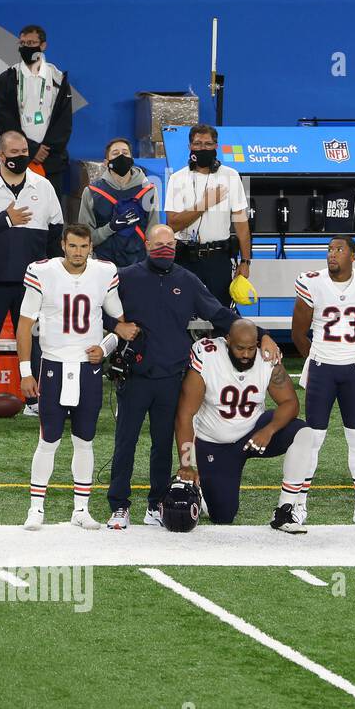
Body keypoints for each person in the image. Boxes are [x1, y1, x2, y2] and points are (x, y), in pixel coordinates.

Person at [104, 225, 279, 530]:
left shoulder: (187, 280)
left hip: (172, 376)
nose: (165, 249)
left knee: (162, 445)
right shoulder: (126, 276)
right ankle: (119, 505)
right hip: (135, 376)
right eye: (159, 244)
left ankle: (156, 503)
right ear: (146, 245)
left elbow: (221, 315)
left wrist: (261, 335)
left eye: (170, 244)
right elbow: (96, 307)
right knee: (125, 442)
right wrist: (116, 326)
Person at [16, 225, 125, 530]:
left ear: (92, 246)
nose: (78, 252)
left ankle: (81, 509)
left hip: (88, 369)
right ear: (63, 244)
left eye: (84, 246)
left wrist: (104, 349)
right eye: (73, 246)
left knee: (85, 440)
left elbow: (123, 325)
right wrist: (25, 371)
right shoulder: (43, 272)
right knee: (48, 439)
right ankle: (36, 508)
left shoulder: (104, 273)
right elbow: (24, 326)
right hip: (54, 365)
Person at [174, 320, 315, 533]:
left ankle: (285, 510)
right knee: (222, 516)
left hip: (254, 431)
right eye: (240, 348)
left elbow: (290, 403)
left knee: (303, 433)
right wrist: (186, 464)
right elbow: (185, 414)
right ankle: (202, 491)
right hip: (216, 443)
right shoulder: (208, 356)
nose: (246, 354)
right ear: (227, 341)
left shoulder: (266, 357)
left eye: (251, 348)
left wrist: (268, 431)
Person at [290, 235, 355, 527]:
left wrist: (352, 354)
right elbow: (297, 333)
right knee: (313, 440)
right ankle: (299, 505)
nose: (332, 255)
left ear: (353, 256)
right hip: (322, 370)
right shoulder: (311, 282)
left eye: (339, 250)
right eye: (330, 250)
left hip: (353, 370)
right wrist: (320, 358)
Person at [0, 129, 62, 415]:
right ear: (1, 154)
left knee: (36, 342)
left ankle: (36, 400)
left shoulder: (43, 186)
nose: (20, 157)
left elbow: (56, 233)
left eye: (24, 152)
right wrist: (5, 220)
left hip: (32, 284)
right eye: (14, 153)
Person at [164, 124, 252, 309]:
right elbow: (172, 224)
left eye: (208, 144)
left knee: (220, 313)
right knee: (182, 311)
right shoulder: (177, 178)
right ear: (190, 147)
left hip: (218, 259)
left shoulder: (231, 176)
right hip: (185, 258)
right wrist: (205, 203)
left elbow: (241, 224)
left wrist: (245, 261)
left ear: (216, 146)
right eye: (197, 144)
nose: (203, 148)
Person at [0, 24, 72, 202]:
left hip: (51, 161)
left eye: (31, 43)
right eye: (22, 43)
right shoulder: (7, 79)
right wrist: (32, 149)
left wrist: (44, 151)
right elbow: (5, 120)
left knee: (51, 216)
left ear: (43, 46)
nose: (25, 47)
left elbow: (64, 120)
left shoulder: (58, 78)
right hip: (18, 159)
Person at [76, 137, 159, 268]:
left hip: (139, 265)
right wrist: (111, 227)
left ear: (132, 159)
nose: (121, 156)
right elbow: (84, 239)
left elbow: (153, 235)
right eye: (115, 153)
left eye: (125, 153)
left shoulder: (149, 191)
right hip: (103, 266)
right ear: (106, 162)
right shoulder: (91, 192)